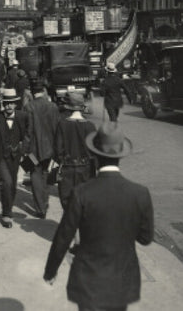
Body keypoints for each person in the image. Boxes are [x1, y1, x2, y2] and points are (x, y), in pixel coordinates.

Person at [44, 122, 154, 311]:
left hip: (89, 279)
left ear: (94, 154)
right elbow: (145, 238)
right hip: (122, 279)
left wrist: (50, 271)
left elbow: (64, 236)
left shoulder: (81, 193)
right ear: (121, 155)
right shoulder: (139, 193)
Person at [0, 88, 29, 228]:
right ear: (2, 103)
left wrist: (23, 150)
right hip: (0, 157)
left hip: (15, 156)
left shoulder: (22, 117)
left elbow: (28, 136)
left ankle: (8, 207)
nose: (9, 106)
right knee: (6, 182)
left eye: (11, 103)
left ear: (16, 104)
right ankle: (6, 214)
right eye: (6, 103)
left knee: (12, 184)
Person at [54, 92, 97, 210]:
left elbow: (58, 150)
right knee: (85, 201)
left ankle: (70, 224)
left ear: (68, 107)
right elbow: (95, 152)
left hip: (67, 167)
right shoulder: (90, 126)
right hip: (86, 168)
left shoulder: (62, 124)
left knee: (67, 200)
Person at [24, 76, 60, 218]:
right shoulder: (53, 107)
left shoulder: (29, 107)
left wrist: (25, 150)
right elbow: (58, 128)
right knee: (46, 174)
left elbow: (28, 131)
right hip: (50, 148)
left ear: (32, 92)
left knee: (35, 175)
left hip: (33, 149)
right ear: (44, 91)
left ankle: (40, 208)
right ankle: (45, 202)